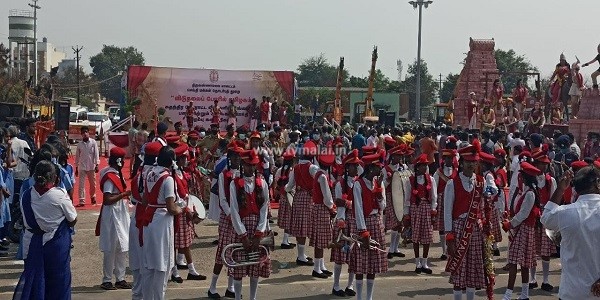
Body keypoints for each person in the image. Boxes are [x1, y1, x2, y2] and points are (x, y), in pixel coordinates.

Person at [13, 160, 77, 300]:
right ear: (54, 178)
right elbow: (73, 219)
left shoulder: (26, 195)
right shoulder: (59, 195)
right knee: (58, 285)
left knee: (35, 283)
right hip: (55, 247)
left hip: (31, 244)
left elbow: (25, 221)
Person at [542, 166, 600, 299]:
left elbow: (546, 218)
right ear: (597, 184)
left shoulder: (566, 213)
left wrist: (560, 189)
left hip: (571, 293)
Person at [140, 146, 183, 300]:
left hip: (149, 220)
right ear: (171, 161)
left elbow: (144, 199)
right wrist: (181, 209)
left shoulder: (149, 172)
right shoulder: (168, 179)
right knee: (162, 264)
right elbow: (171, 208)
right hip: (162, 222)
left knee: (149, 263)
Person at [444, 145, 486, 300]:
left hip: (475, 229)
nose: (471, 165)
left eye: (474, 162)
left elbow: (482, 207)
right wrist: (449, 237)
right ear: (461, 163)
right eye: (468, 161)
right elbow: (447, 211)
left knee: (472, 270)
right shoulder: (452, 183)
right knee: (459, 271)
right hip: (459, 228)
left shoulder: (481, 182)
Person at [228, 149, 271, 300]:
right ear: (242, 165)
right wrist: (243, 235)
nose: (250, 168)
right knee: (239, 267)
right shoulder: (234, 184)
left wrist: (259, 232)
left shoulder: (262, 183)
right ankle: (238, 297)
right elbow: (233, 210)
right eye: (247, 165)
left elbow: (264, 209)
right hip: (242, 228)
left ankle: (253, 298)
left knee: (255, 267)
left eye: (253, 165)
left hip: (256, 228)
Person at [501, 162, 542, 300]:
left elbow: (523, 215)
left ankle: (508, 294)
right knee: (524, 264)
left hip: (523, 230)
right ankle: (524, 294)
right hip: (524, 230)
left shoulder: (530, 194)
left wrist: (510, 224)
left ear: (525, 178)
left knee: (513, 262)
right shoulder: (528, 191)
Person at [208, 142, 244, 299]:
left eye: (239, 157)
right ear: (229, 158)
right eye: (234, 157)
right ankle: (212, 287)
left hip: (239, 217)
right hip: (227, 217)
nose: (237, 159)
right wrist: (230, 215)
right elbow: (222, 199)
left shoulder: (243, 174)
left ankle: (230, 287)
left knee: (235, 252)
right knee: (222, 251)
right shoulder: (224, 175)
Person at [350, 150, 388, 300]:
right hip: (363, 224)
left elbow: (383, 206)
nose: (381, 170)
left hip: (376, 221)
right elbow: (358, 209)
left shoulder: (379, 182)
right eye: (378, 167)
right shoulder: (358, 184)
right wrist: (363, 231)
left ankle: (369, 297)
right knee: (360, 264)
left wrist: (378, 191)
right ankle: (360, 297)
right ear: (371, 168)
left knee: (373, 264)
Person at [96, 147, 133, 290]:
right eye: (122, 160)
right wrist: (123, 195)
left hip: (120, 212)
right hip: (112, 214)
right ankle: (106, 279)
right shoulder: (110, 177)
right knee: (110, 247)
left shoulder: (116, 174)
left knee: (122, 246)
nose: (124, 162)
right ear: (118, 161)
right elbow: (107, 199)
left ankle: (120, 278)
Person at [171, 143, 205, 282]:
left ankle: (186, 269)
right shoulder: (173, 176)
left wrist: (193, 209)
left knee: (185, 243)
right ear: (178, 160)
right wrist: (187, 210)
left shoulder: (181, 174)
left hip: (185, 209)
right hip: (179, 211)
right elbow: (176, 198)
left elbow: (187, 195)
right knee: (176, 244)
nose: (186, 160)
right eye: (184, 158)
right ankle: (176, 271)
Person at [330, 149, 360, 297]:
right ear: (348, 168)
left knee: (354, 255)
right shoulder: (339, 183)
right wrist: (341, 222)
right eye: (354, 166)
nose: (357, 168)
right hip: (343, 220)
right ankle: (336, 286)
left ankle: (350, 284)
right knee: (340, 255)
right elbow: (339, 202)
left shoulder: (357, 182)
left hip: (354, 220)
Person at [285, 140, 319, 266]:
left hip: (298, 198)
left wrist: (287, 190)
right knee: (304, 226)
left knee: (300, 226)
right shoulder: (313, 168)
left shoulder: (296, 168)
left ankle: (301, 254)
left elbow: (289, 186)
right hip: (308, 199)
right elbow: (320, 181)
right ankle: (301, 256)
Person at [529, 150, 556, 291]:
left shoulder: (550, 181)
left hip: (545, 219)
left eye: (545, 164)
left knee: (545, 252)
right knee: (532, 250)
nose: (543, 167)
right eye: (541, 164)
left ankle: (545, 280)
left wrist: (546, 216)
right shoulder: (530, 179)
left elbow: (554, 201)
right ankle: (532, 279)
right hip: (533, 219)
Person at [309, 150, 335, 279]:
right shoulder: (323, 176)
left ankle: (321, 266)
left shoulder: (318, 173)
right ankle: (317, 268)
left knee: (321, 240)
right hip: (322, 208)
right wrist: (331, 208)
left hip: (318, 208)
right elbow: (327, 197)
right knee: (320, 240)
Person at [383, 146, 407, 260]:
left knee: (400, 223)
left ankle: (396, 247)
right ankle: (391, 248)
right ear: (392, 157)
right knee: (394, 222)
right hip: (391, 197)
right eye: (397, 156)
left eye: (400, 156)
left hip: (401, 197)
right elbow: (383, 185)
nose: (400, 158)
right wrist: (389, 179)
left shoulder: (403, 167)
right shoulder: (386, 169)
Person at [433, 148, 457, 260]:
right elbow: (434, 187)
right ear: (444, 159)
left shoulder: (457, 171)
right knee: (442, 227)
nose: (449, 160)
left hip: (455, 200)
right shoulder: (438, 172)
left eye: (450, 158)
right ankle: (444, 250)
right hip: (442, 200)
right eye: (447, 158)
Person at [75, 126, 99, 207]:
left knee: (93, 184)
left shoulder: (93, 142)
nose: (85, 134)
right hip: (82, 166)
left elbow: (96, 154)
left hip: (91, 166)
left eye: (86, 132)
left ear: (88, 133)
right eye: (83, 133)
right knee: (81, 184)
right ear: (81, 134)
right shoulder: (79, 145)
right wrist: (76, 167)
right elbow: (77, 156)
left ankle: (93, 197)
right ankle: (82, 200)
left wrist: (97, 164)